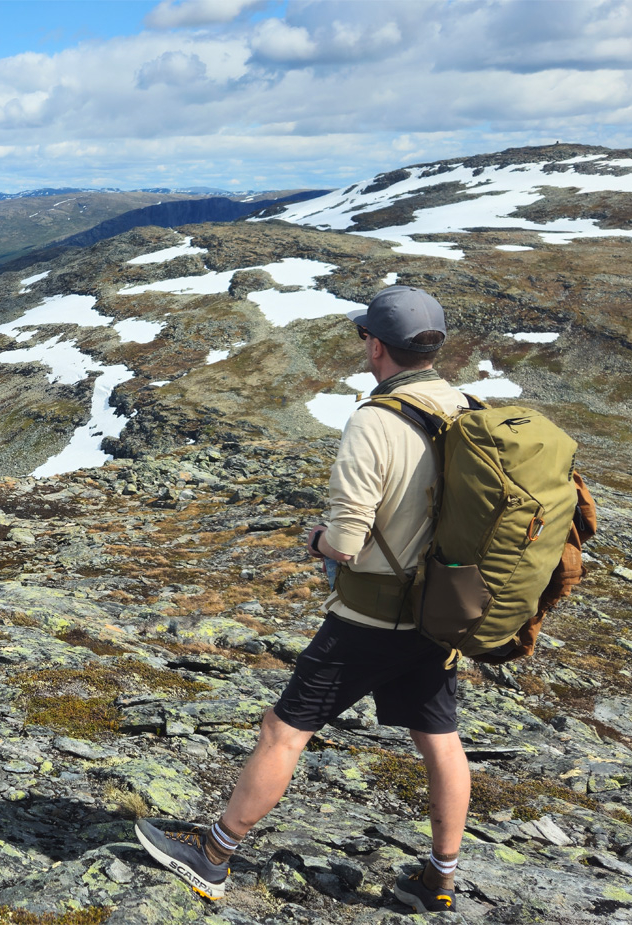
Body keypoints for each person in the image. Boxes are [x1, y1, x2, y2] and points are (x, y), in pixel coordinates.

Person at [136, 285, 472, 915]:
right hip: (441, 614)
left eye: (365, 337)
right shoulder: (467, 409)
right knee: (439, 737)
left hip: (371, 618)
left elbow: (346, 543)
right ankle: (439, 877)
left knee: (283, 730)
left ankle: (213, 855)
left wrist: (316, 538)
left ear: (376, 345)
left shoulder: (377, 420)